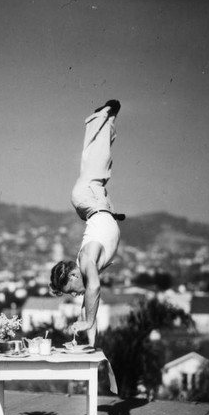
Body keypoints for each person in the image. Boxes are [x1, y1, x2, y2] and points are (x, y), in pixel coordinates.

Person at [50, 100, 123, 346]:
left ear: (72, 274)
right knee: (91, 161)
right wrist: (89, 341)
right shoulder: (85, 269)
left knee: (100, 160)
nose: (76, 294)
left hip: (90, 201)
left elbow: (93, 290)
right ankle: (97, 122)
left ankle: (105, 117)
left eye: (72, 290)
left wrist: (89, 322)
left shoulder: (86, 261)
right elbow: (88, 302)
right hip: (94, 203)